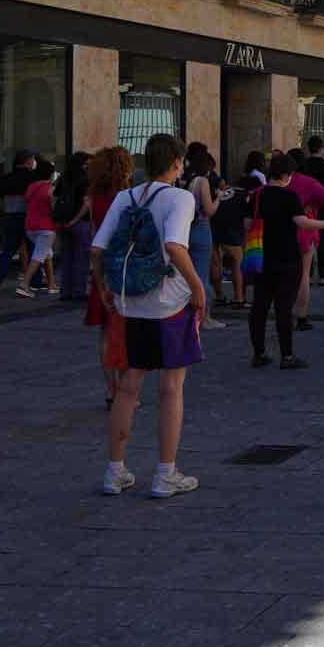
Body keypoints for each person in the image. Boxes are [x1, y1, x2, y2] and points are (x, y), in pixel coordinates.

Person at [90, 133, 207, 499]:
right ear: (176, 162)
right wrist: (198, 287)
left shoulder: (126, 196)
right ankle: (165, 473)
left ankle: (115, 470)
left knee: (128, 387)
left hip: (129, 302)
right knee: (172, 387)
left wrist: (104, 288)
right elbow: (174, 245)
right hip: (168, 303)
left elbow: (97, 248)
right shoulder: (180, 197)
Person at [248, 153, 324, 370]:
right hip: (287, 257)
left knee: (260, 306)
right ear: (286, 175)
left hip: (262, 256)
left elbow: (248, 223)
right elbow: (303, 223)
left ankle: (259, 353)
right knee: (284, 308)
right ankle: (287, 356)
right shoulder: (289, 196)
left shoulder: (257, 195)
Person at [81, 146, 134, 408]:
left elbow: (94, 232)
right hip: (121, 267)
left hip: (100, 268)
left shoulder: (93, 199)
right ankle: (126, 391)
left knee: (104, 331)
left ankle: (111, 390)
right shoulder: (126, 197)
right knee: (123, 329)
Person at [178, 147, 225, 329]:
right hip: (201, 227)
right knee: (201, 273)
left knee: (188, 274)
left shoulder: (186, 181)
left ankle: (190, 316)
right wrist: (219, 198)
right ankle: (204, 317)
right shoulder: (202, 182)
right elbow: (209, 210)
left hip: (187, 228)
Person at [0, 150, 39, 295]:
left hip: (10, 217)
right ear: (28, 161)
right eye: (33, 159)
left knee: (8, 250)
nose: (34, 162)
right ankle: (34, 281)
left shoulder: (6, 178)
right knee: (33, 249)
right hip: (28, 217)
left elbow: (0, 199)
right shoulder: (33, 177)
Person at [287, 159, 324, 315]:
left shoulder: (280, 182)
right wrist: (312, 205)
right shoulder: (308, 182)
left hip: (284, 231)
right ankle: (301, 315)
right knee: (304, 275)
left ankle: (285, 312)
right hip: (305, 230)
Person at [14, 156, 58, 299]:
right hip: (46, 227)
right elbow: (53, 209)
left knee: (46, 253)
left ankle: (51, 285)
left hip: (30, 226)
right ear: (51, 174)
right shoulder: (50, 189)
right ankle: (24, 284)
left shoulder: (31, 187)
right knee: (39, 256)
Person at [210, 160, 251, 309]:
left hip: (213, 224)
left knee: (215, 263)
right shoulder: (246, 196)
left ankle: (219, 296)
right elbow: (247, 224)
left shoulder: (228, 190)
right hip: (231, 230)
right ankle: (239, 298)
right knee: (239, 261)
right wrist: (245, 243)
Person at [55, 152, 94, 301]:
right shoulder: (86, 180)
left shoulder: (63, 178)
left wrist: (61, 219)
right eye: (88, 164)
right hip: (81, 223)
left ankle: (65, 291)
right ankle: (79, 291)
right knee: (81, 258)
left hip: (63, 222)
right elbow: (87, 203)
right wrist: (75, 220)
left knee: (67, 258)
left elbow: (54, 198)